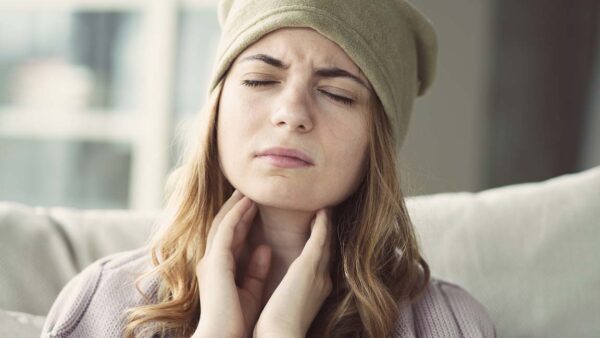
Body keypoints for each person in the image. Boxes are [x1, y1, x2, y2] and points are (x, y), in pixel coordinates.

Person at [41, 0, 496, 337]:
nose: (291, 112)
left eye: (338, 94)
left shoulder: (450, 324)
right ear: (217, 110)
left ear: (377, 141)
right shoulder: (101, 302)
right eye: (260, 79)